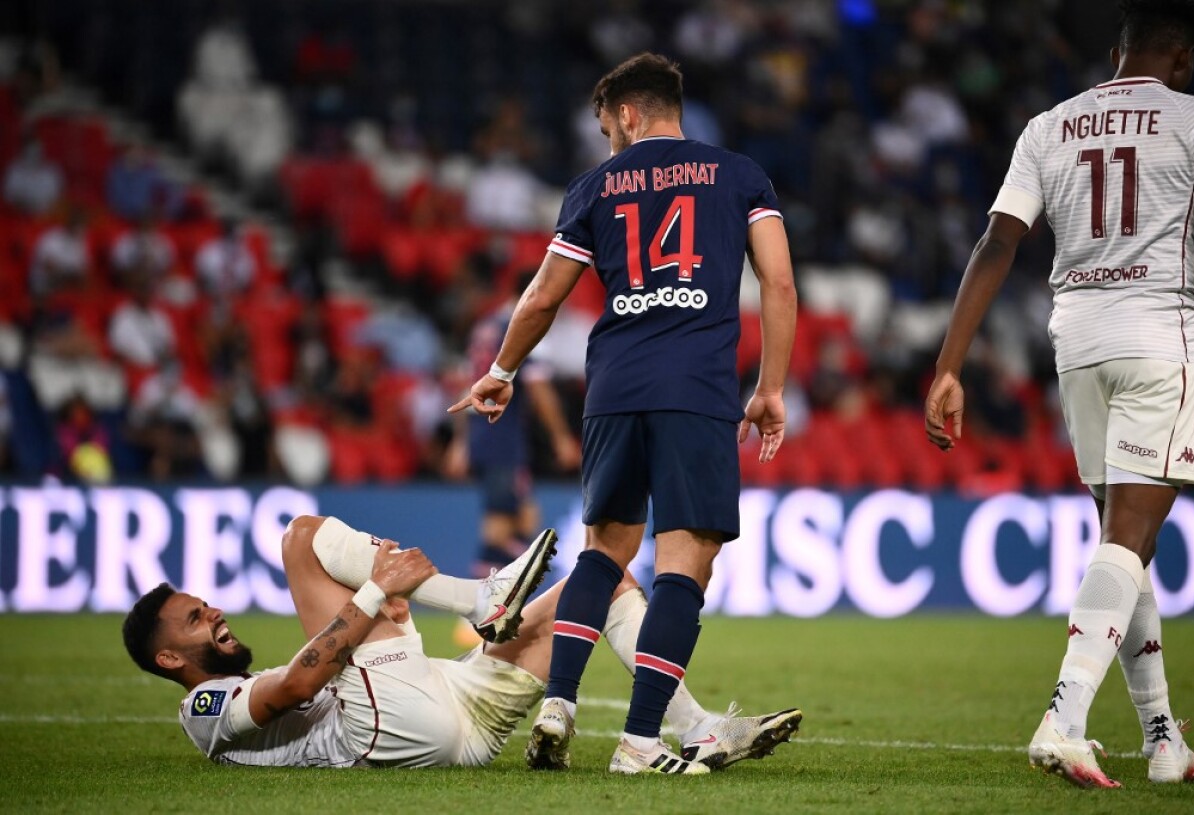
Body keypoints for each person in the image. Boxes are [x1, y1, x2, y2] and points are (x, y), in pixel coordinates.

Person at [449, 53, 797, 775]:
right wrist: (769, 388)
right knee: (684, 563)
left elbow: (543, 295)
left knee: (604, 550)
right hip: (695, 388)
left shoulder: (594, 186)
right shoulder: (740, 175)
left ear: (630, 115)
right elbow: (780, 282)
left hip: (612, 387)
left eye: (608, 126)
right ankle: (640, 742)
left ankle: (561, 702)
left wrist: (501, 369)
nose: (609, 140)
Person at [924, 0, 1194, 789]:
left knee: (1127, 545)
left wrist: (949, 364)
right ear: (1183, 60)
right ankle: (1064, 718)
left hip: (1078, 344)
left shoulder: (1048, 125)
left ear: (1118, 52)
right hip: (1160, 336)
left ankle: (1162, 738)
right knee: (1127, 538)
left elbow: (997, 242)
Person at [122, 515, 801, 770]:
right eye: (193, 619)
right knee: (301, 538)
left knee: (605, 580)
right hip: (391, 731)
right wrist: (371, 593)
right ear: (168, 659)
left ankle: (696, 727)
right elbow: (299, 685)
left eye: (203, 604)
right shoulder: (204, 710)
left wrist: (377, 599)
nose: (213, 612)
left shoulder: (232, 678)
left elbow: (318, 669)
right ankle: (474, 596)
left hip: (452, 709)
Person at [444, 270, 581, 647]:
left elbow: (467, 381)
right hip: (503, 438)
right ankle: (474, 614)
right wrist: (561, 437)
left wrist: (461, 441)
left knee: (522, 520)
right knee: (500, 529)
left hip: (485, 436)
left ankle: (499, 606)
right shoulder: (522, 327)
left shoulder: (485, 328)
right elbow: (538, 390)